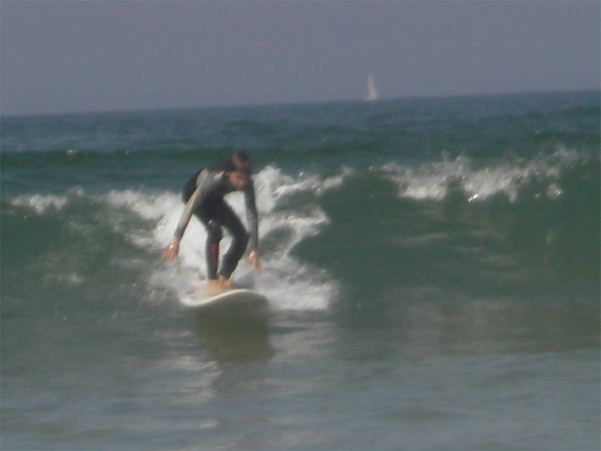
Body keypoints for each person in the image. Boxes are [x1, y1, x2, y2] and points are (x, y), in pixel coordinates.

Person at [161, 150, 262, 294]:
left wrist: (254, 249)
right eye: (238, 178)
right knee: (215, 230)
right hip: (193, 195)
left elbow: (252, 214)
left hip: (214, 199)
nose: (242, 183)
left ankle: (224, 277)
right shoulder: (214, 179)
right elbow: (191, 205)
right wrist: (177, 238)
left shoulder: (247, 184)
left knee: (242, 236)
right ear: (228, 173)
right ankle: (212, 280)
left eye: (245, 179)